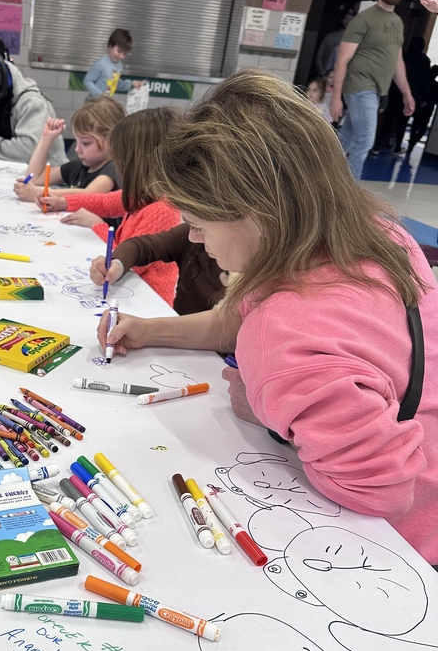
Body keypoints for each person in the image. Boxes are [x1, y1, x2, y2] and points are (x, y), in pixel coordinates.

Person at [97, 69, 437, 566]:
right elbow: (241, 317)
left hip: (405, 546)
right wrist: (150, 329)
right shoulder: (368, 234)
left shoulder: (286, 334)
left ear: (257, 213)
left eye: (197, 223)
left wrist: (277, 421)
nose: (193, 239)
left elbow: (381, 490)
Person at [40, 109, 181, 306]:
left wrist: (97, 225)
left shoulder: (162, 210)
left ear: (134, 161)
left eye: (119, 159)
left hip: (146, 305)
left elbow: (128, 262)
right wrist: (65, 202)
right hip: (125, 294)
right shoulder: (139, 194)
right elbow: (104, 202)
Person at [330, 0, 415, 180]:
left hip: (376, 90)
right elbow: (342, 60)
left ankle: (318, 177)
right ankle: (352, 197)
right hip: (360, 86)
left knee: (346, 142)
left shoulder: (397, 22)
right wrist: (335, 98)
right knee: (365, 142)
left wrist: (407, 93)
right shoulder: (363, 20)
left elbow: (397, 62)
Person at [89, 224, 227, 316]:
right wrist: (117, 265)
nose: (192, 236)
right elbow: (142, 246)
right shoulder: (190, 238)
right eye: (193, 226)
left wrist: (147, 330)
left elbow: (218, 328)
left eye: (199, 227)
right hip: (176, 341)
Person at [13, 97, 124, 203]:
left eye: (85, 143)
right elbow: (34, 178)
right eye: (77, 141)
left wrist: (41, 193)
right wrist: (46, 138)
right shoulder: (77, 168)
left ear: (111, 140)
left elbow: (90, 195)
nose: (77, 149)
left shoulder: (115, 169)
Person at [84, 28, 144, 100]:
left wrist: (132, 84)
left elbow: (115, 84)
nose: (121, 56)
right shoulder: (101, 64)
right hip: (92, 104)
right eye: (119, 51)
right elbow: (87, 81)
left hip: (105, 104)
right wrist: (100, 95)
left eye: (124, 54)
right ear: (110, 45)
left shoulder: (119, 65)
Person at [314, 5, 355, 79]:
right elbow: (319, 56)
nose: (348, 21)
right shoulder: (330, 36)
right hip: (325, 76)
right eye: (346, 18)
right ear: (342, 19)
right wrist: (322, 73)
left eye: (351, 19)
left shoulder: (355, 40)